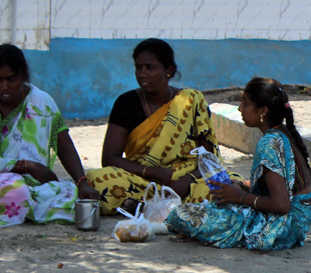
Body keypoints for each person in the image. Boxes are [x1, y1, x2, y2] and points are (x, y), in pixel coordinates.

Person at [0, 44, 98, 226]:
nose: (5, 87)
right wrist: (28, 166)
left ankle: (23, 207)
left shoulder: (42, 103)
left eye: (12, 79)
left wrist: (81, 182)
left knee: (72, 194)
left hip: (35, 184)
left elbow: (63, 143)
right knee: (16, 192)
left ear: (24, 76)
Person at [165, 77, 311, 250]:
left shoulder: (269, 143)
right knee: (217, 202)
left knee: (182, 215)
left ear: (263, 111)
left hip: (281, 227)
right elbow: (283, 186)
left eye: (245, 104)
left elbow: (281, 205)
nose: (240, 108)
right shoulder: (283, 134)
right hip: (297, 223)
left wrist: (240, 197)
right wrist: (242, 186)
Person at [86, 38, 228, 214]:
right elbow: (110, 158)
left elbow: (209, 158)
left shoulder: (191, 101)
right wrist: (153, 172)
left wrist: (186, 180)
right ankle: (174, 209)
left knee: (222, 185)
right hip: (143, 180)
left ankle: (145, 207)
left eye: (150, 67)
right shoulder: (126, 103)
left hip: (186, 178)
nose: (142, 74)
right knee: (96, 179)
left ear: (168, 70)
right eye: (138, 67)